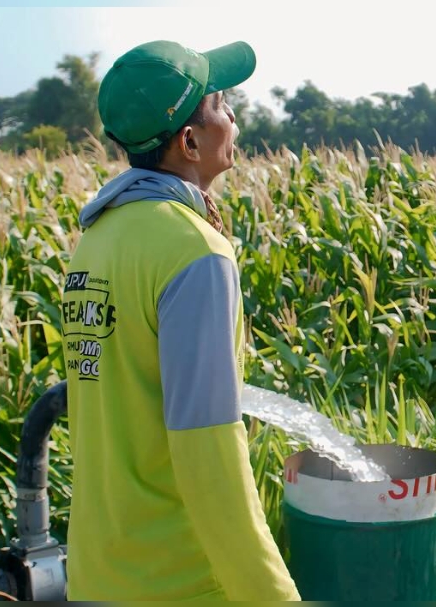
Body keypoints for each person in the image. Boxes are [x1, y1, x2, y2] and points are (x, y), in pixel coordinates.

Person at [60, 40, 299, 601]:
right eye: (222, 106)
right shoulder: (194, 251)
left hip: (99, 571)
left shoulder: (96, 238)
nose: (235, 119)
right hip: (180, 580)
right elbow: (206, 447)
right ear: (189, 140)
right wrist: (271, 595)